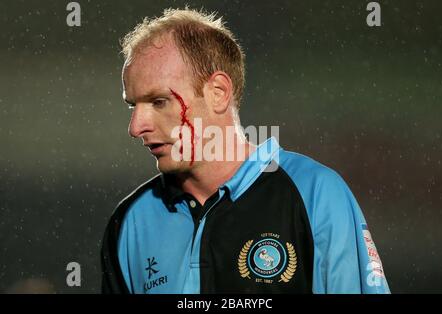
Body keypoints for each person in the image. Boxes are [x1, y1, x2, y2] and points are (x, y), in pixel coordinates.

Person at [101, 8, 390, 294]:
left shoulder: (316, 194)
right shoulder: (129, 221)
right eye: (132, 105)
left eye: (159, 101)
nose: (136, 127)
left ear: (218, 93)